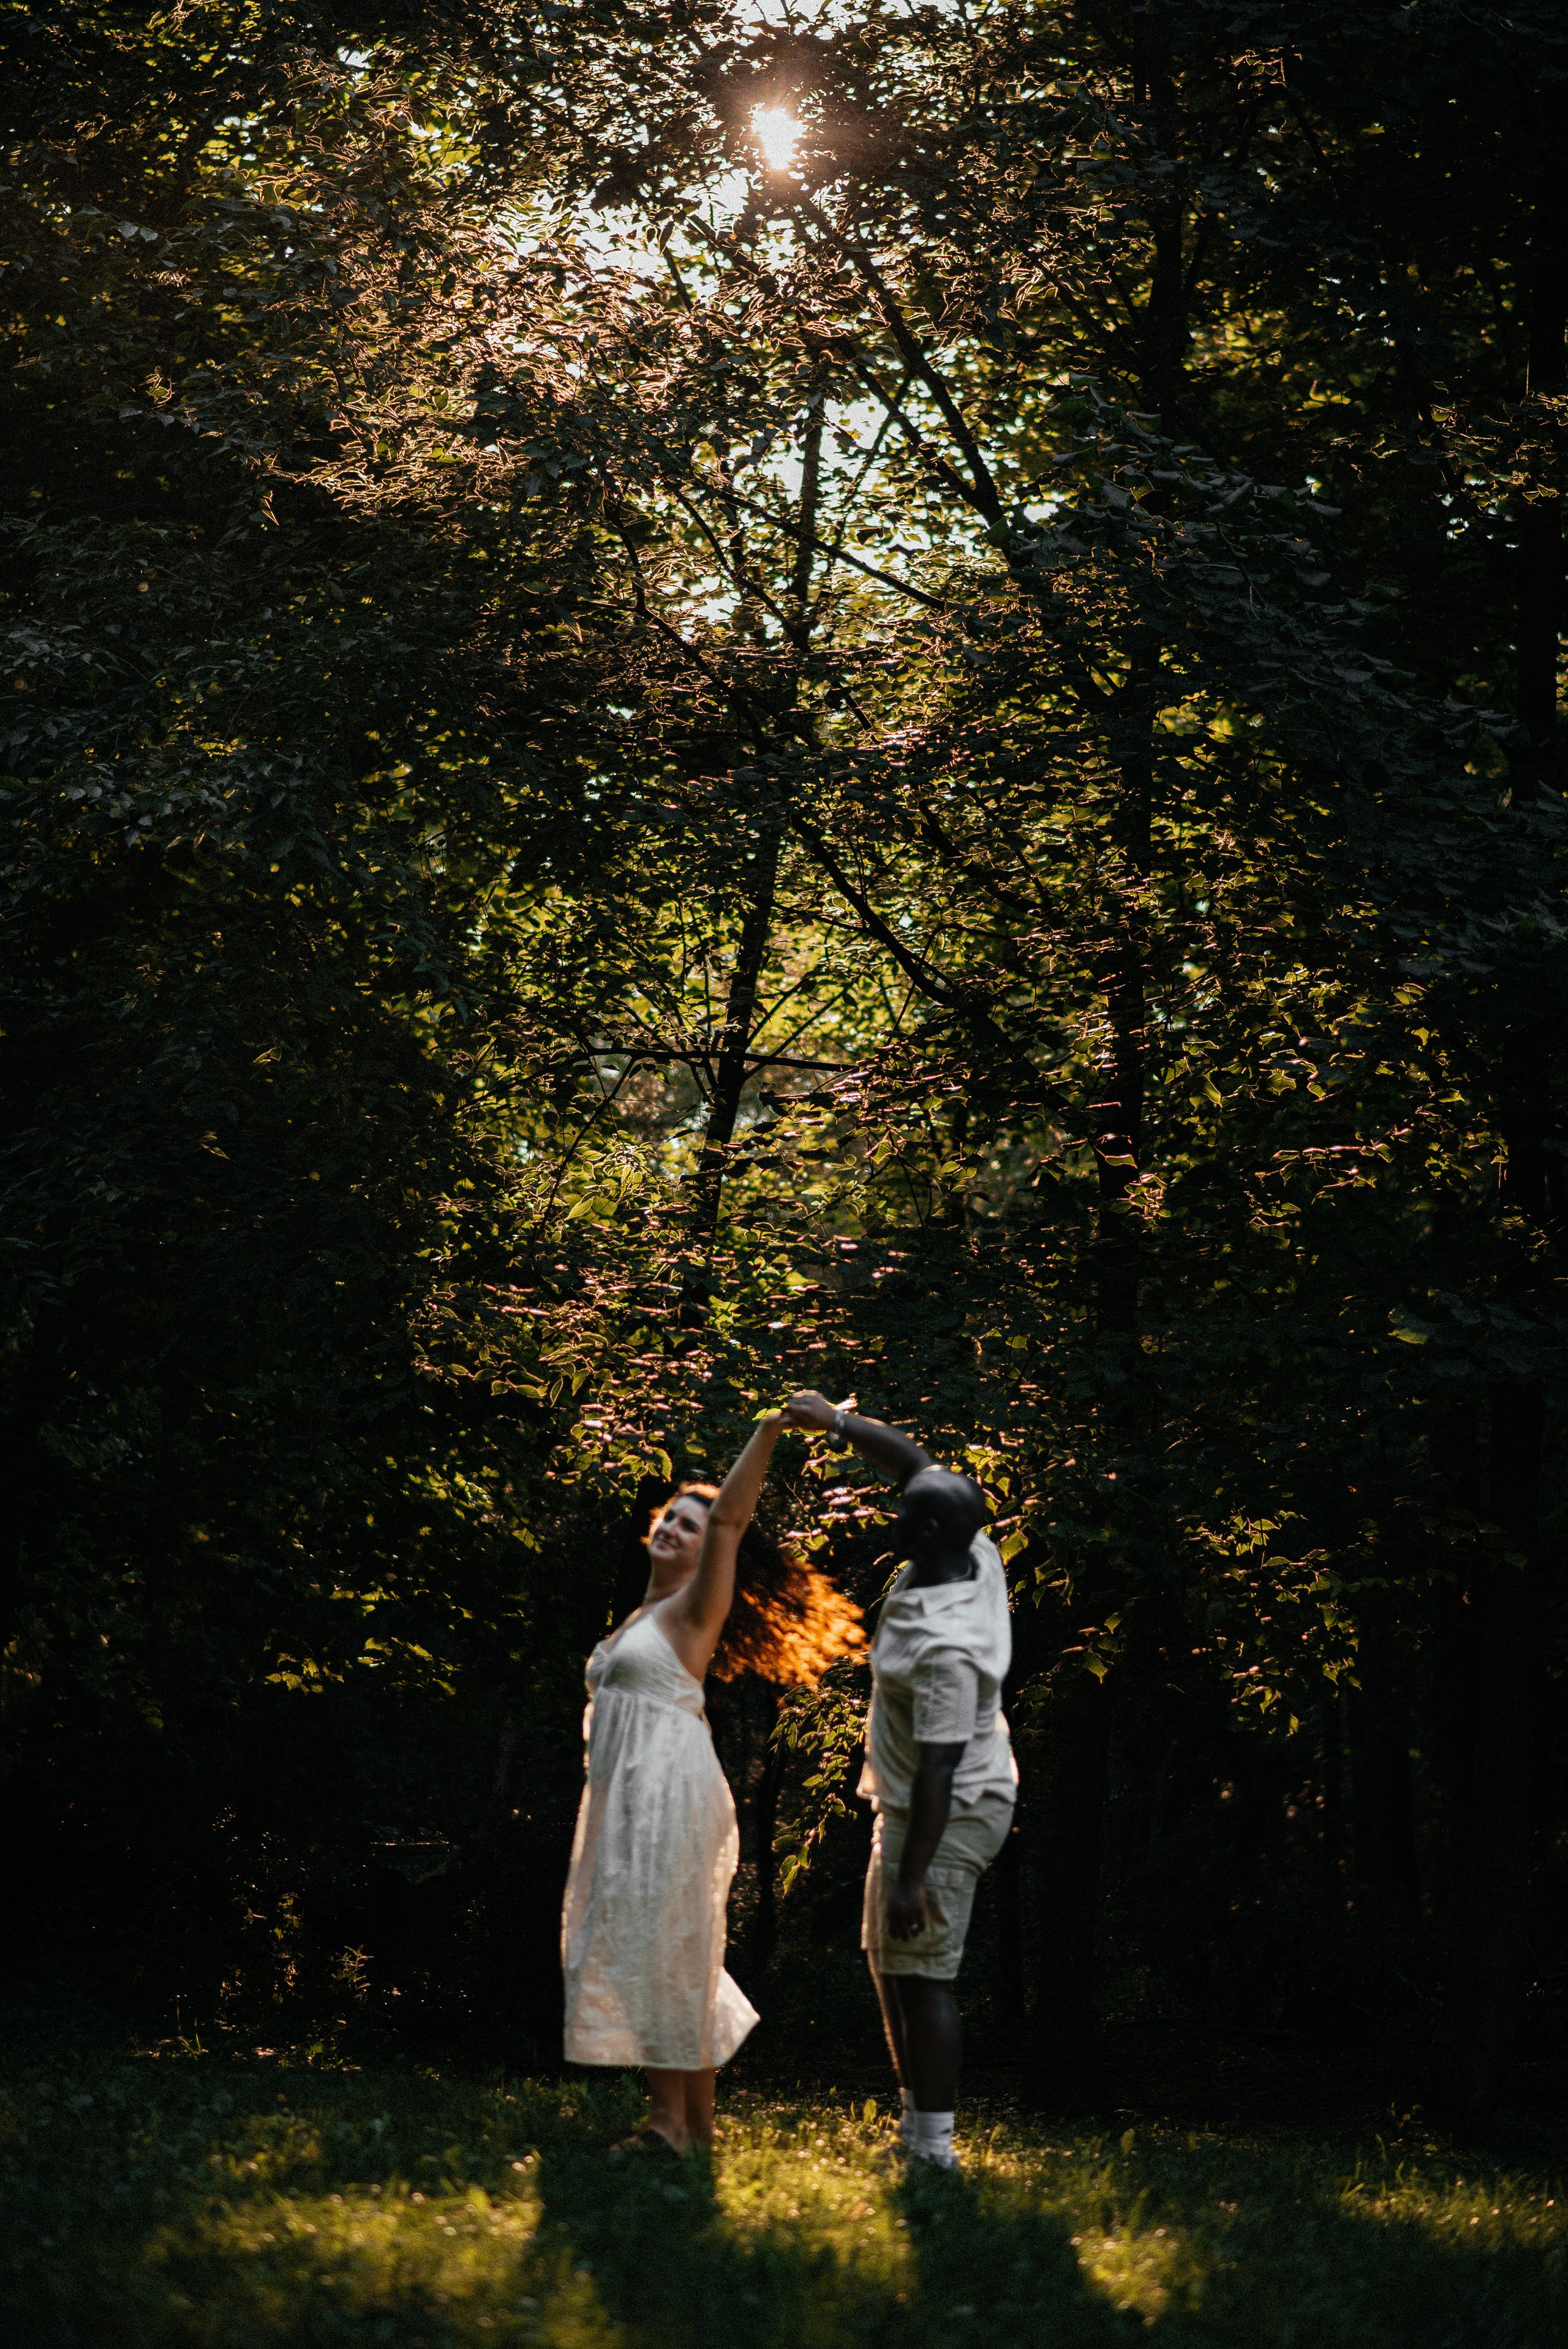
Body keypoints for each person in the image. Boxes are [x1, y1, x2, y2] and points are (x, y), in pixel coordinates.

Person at [561, 1409, 862, 2154]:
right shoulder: (643, 1615)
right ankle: (692, 2129)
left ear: (705, 1553)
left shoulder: (694, 1612)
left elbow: (730, 1520)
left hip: (666, 1789)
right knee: (674, 1944)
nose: (673, 1529)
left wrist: (766, 1430)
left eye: (688, 1527)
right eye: (669, 1518)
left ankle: (667, 2126)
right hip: (628, 1792)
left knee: (660, 1942)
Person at [785, 1389, 1017, 2171]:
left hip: (948, 1809)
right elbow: (914, 1463)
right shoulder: (966, 1544)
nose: (890, 1511)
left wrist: (912, 1876)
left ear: (923, 1530)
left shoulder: (951, 1644)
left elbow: (942, 1771)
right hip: (914, 1798)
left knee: (923, 1973)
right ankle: (916, 2139)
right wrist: (837, 1423)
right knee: (894, 1963)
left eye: (900, 1512)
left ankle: (936, 2153)